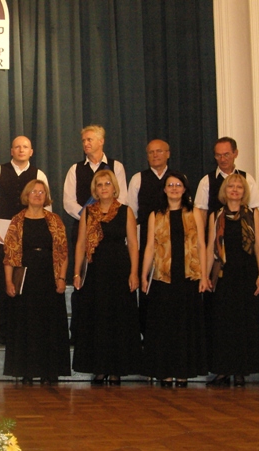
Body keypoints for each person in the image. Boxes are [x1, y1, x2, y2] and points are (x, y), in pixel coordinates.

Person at [140, 171, 209, 387]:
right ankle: (165, 372)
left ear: (185, 189)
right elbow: (150, 247)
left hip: (189, 277)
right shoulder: (155, 215)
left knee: (185, 328)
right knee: (164, 328)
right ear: (164, 189)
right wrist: (144, 275)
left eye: (178, 185)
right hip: (163, 278)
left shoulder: (194, 213)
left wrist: (204, 276)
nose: (174, 188)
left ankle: (183, 372)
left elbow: (201, 245)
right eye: (170, 185)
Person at [72, 170, 141, 385]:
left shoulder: (126, 211)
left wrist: (134, 272)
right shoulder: (88, 212)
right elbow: (81, 244)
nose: (103, 188)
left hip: (119, 270)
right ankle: (99, 367)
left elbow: (133, 244)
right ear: (95, 189)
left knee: (118, 319)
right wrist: (77, 272)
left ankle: (116, 368)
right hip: (95, 271)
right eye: (99, 184)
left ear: (114, 188)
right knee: (97, 319)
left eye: (107, 184)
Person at [63, 125, 127, 343]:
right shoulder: (75, 169)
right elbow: (68, 202)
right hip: (84, 229)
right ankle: (81, 332)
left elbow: (122, 197)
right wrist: (89, 217)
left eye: (90, 139)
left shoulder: (116, 167)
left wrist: (104, 216)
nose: (86, 144)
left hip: (112, 232)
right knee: (83, 283)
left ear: (101, 141)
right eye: (83, 140)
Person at [3, 179, 70, 385]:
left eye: (41, 192)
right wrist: (9, 281)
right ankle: (27, 371)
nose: (38, 195)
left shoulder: (55, 220)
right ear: (26, 195)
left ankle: (50, 371)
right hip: (25, 278)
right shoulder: (17, 221)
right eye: (34, 191)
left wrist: (61, 278)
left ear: (46, 196)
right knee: (27, 324)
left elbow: (63, 252)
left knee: (49, 324)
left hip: (49, 276)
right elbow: (9, 255)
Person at [204, 173, 259, 387]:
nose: (234, 190)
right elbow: (210, 248)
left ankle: (241, 370)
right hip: (224, 275)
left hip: (247, 274)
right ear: (225, 190)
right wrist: (205, 276)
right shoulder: (216, 215)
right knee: (224, 324)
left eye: (239, 187)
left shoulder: (252, 214)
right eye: (231, 186)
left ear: (244, 192)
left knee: (244, 323)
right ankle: (224, 370)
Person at [0, 136, 49, 346]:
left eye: (25, 147)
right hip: (3, 236)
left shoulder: (39, 175)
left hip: (30, 236)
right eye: (17, 147)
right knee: (3, 286)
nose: (21, 150)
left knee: (28, 287)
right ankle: (2, 333)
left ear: (31, 151)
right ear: (11, 151)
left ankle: (25, 333)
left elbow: (47, 207)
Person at [126, 140, 171, 335]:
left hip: (173, 242)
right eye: (151, 152)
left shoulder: (177, 178)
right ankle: (147, 332)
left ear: (168, 153)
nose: (155, 155)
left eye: (159, 151)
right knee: (148, 288)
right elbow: (131, 214)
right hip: (146, 240)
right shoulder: (138, 179)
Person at [193, 137, 259, 226]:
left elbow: (254, 211)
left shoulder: (247, 179)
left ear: (235, 153)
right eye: (218, 155)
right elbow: (201, 213)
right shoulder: (206, 181)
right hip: (215, 233)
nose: (222, 159)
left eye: (226, 154)